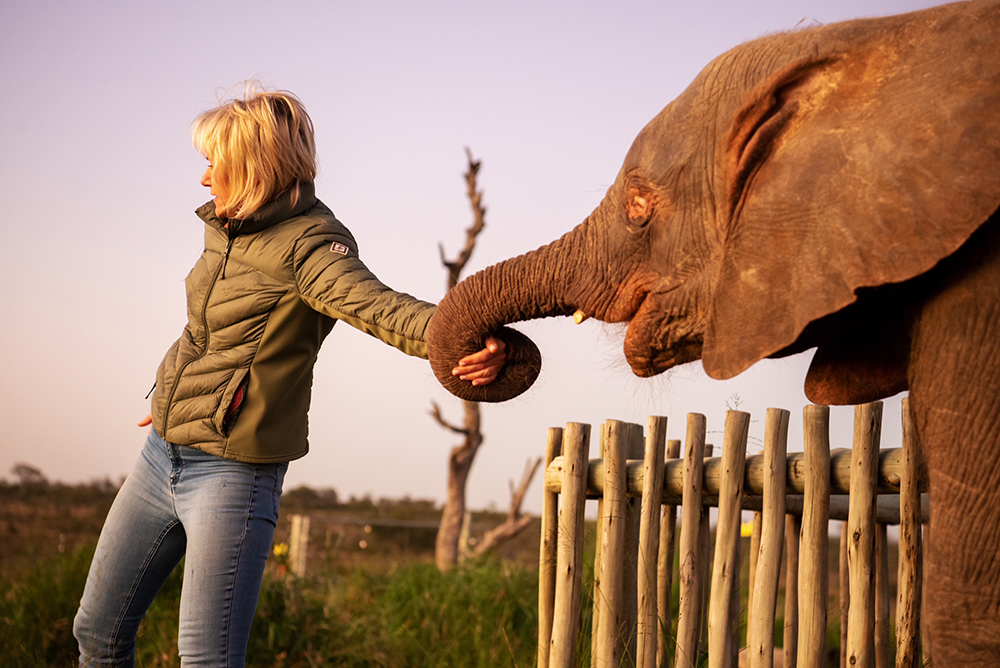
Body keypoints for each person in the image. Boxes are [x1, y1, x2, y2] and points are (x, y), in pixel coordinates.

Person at [73, 85, 505, 667]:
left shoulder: (313, 247)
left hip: (231, 477)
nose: (204, 181)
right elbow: (207, 328)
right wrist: (173, 396)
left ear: (253, 168)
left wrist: (463, 339)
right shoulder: (228, 228)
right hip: (160, 456)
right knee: (96, 634)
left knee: (206, 660)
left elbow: (381, 309)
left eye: (214, 165)